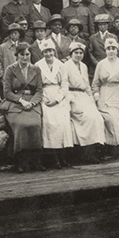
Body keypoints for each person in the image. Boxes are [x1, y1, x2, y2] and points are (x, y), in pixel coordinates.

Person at [1, 43, 45, 172]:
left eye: (27, 54)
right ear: (17, 55)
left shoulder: (36, 69)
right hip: (15, 102)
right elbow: (7, 92)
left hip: (32, 102)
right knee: (20, 125)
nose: (25, 57)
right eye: (22, 55)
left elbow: (39, 90)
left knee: (36, 124)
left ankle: (36, 160)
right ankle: (21, 160)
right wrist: (21, 101)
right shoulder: (10, 69)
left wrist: (32, 103)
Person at [62, 42, 107, 163]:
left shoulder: (84, 66)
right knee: (87, 118)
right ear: (71, 54)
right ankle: (84, 153)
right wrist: (70, 100)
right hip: (72, 96)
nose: (78, 55)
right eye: (76, 53)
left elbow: (87, 85)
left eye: (81, 53)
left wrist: (92, 99)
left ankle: (94, 150)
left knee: (97, 117)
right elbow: (64, 85)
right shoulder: (66, 66)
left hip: (84, 97)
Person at [91, 37, 119, 161]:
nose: (111, 51)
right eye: (109, 49)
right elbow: (95, 83)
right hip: (105, 95)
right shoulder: (101, 64)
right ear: (105, 50)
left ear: (117, 50)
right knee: (109, 118)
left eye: (113, 49)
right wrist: (97, 96)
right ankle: (109, 149)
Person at [36, 38, 75, 167]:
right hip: (45, 96)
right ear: (42, 53)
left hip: (59, 96)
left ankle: (63, 155)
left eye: (50, 51)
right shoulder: (38, 66)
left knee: (63, 122)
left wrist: (57, 99)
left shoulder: (61, 65)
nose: (48, 54)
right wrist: (44, 98)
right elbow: (37, 86)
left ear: (54, 51)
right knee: (49, 122)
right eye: (46, 51)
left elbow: (64, 86)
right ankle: (53, 157)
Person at [0, 23, 24, 89]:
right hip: (8, 77)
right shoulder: (2, 47)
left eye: (15, 33)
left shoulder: (23, 46)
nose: (13, 35)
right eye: (11, 33)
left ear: (19, 34)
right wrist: (2, 76)